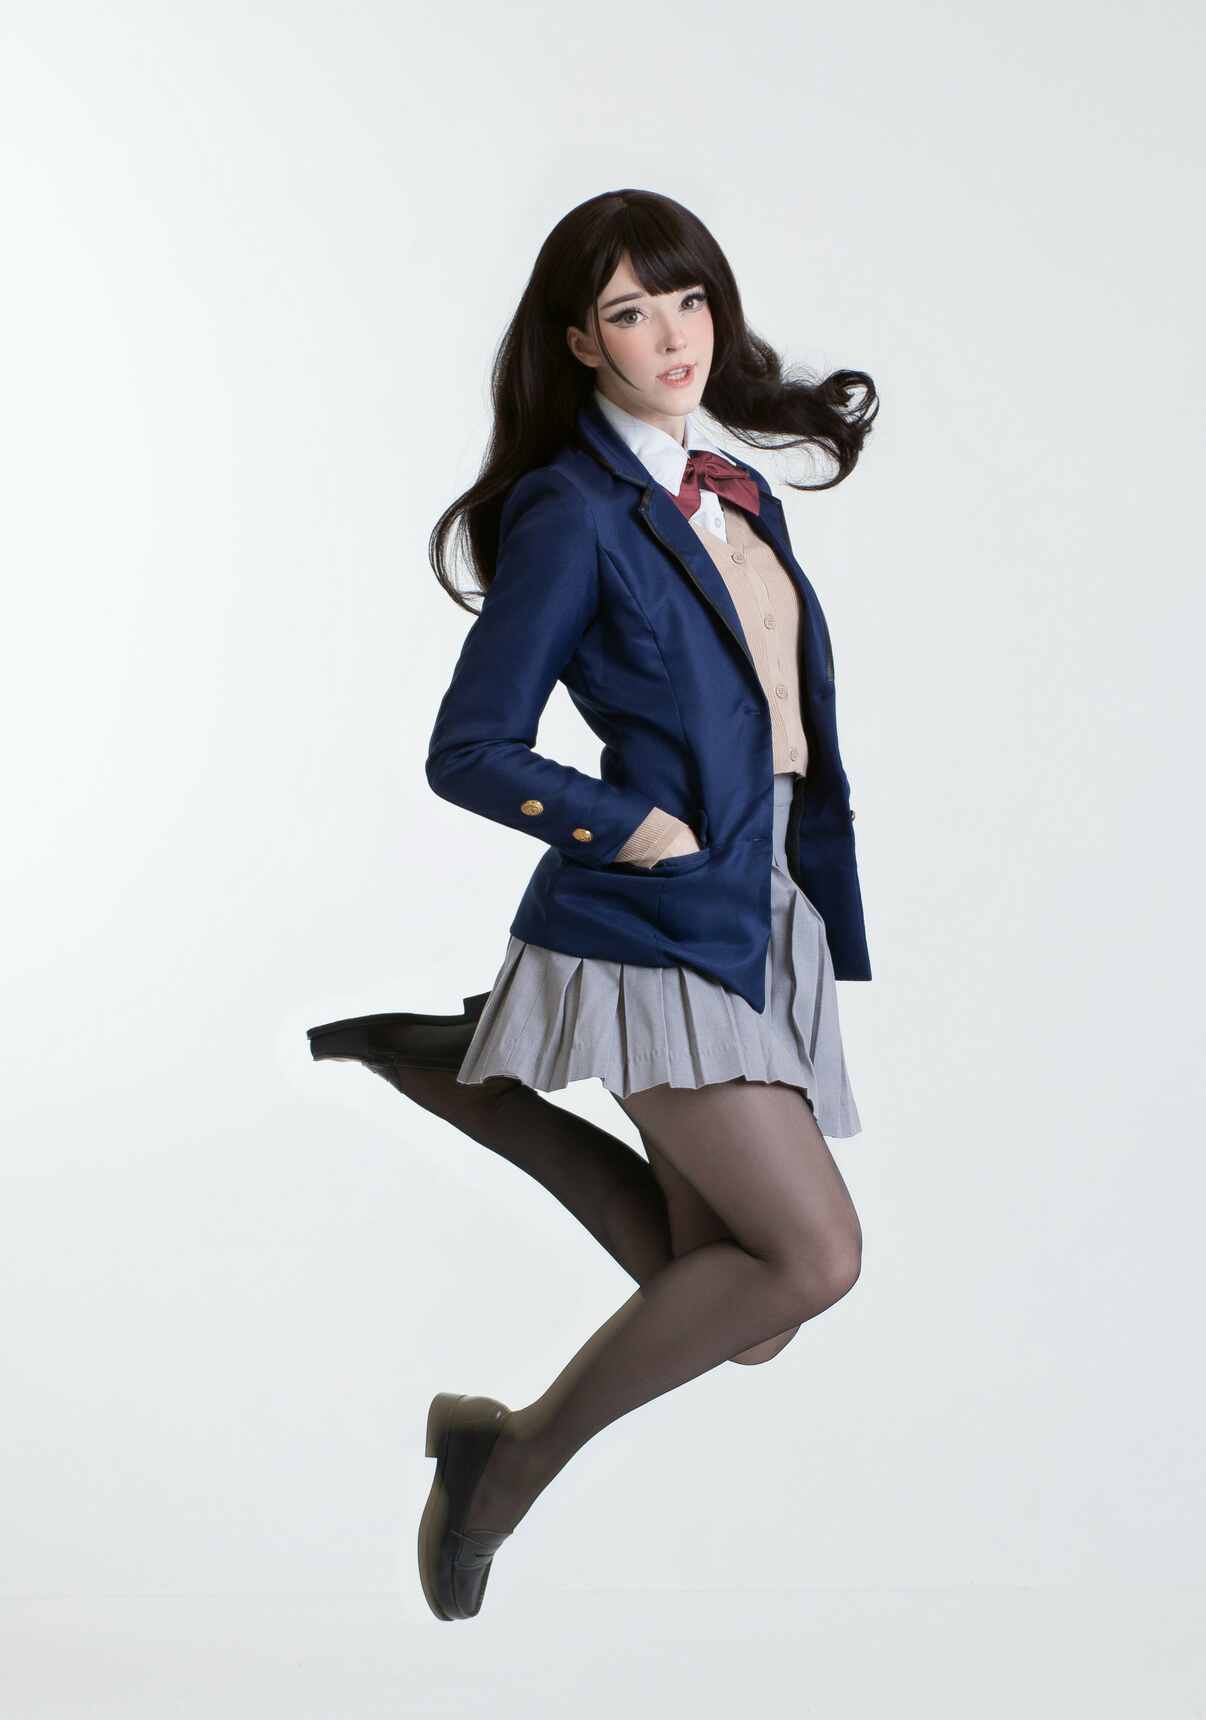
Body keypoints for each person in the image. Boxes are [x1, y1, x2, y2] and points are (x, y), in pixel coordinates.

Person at [307, 188, 879, 1621]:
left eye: (688, 301)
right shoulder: (572, 508)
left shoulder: (733, 489)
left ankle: (468, 1074)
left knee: (745, 1312)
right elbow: (471, 749)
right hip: (654, 921)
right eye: (631, 312)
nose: (673, 336)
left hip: (759, 907)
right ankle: (504, 1466)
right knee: (811, 1258)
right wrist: (641, 831)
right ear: (581, 342)